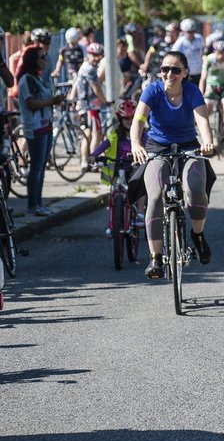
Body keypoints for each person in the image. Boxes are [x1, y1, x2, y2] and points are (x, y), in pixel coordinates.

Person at [131, 51, 215, 279]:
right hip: (157, 147)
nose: (170, 74)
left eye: (176, 70)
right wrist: (136, 144)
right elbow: (139, 119)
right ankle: (156, 257)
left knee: (195, 189)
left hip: (189, 146)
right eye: (165, 69)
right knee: (156, 196)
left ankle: (198, 235)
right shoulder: (153, 90)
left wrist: (207, 142)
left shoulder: (192, 91)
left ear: (185, 73)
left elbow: (201, 119)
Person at [16, 46, 64, 216]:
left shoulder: (37, 79)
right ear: (33, 60)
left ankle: (39, 203)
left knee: (41, 167)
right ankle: (32, 205)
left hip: (45, 126)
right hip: (35, 128)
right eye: (42, 57)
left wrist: (54, 100)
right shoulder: (26, 80)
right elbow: (31, 103)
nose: (45, 59)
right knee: (36, 167)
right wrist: (52, 100)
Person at [90, 100, 147, 233]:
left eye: (131, 118)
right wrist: (93, 154)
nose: (128, 121)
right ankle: (112, 223)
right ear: (120, 119)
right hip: (119, 167)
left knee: (139, 186)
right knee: (114, 190)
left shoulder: (143, 134)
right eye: (125, 118)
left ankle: (139, 213)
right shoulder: (116, 133)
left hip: (135, 166)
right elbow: (104, 144)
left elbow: (150, 144)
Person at [70, 42, 109, 166]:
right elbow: (95, 87)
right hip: (90, 107)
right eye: (94, 55)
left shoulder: (84, 66)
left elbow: (76, 83)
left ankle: (84, 162)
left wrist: (72, 97)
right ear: (89, 54)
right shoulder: (90, 69)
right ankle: (93, 160)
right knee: (95, 134)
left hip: (83, 105)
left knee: (87, 134)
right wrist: (105, 101)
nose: (96, 58)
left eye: (99, 55)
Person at [172, 19, 205, 86]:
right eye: (188, 32)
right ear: (183, 31)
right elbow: (174, 57)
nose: (191, 34)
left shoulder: (200, 38)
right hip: (187, 73)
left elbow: (202, 52)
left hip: (199, 71)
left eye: (192, 31)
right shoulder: (180, 43)